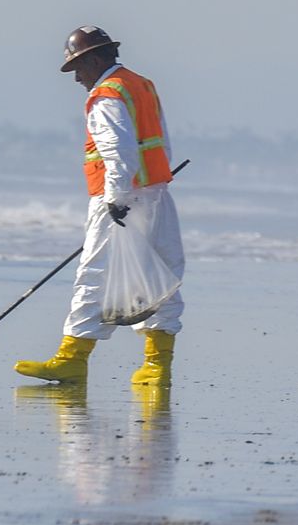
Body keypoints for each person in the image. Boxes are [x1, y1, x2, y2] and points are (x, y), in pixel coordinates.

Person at [16, 27, 185, 388]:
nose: (77, 78)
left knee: (93, 277)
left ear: (94, 59)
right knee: (161, 277)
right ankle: (158, 367)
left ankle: (71, 361)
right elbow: (162, 143)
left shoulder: (105, 95)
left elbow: (117, 151)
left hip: (120, 201)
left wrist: (116, 199)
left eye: (78, 68)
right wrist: (152, 182)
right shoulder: (141, 84)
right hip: (155, 194)